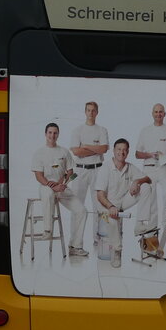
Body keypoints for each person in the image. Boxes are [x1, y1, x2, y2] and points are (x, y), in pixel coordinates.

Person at [30, 123, 89, 258]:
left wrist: (63, 183)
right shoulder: (39, 153)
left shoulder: (64, 152)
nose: (52, 135)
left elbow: (70, 171)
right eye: (50, 132)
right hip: (46, 186)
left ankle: (75, 246)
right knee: (48, 193)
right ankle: (47, 230)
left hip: (62, 187)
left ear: (58, 134)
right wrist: (52, 186)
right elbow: (39, 176)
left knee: (82, 211)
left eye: (55, 133)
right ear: (46, 134)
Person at [94, 139, 154, 268]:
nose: (122, 152)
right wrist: (111, 207)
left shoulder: (129, 167)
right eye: (119, 149)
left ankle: (140, 224)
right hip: (106, 205)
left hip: (122, 202)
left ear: (128, 152)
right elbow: (100, 195)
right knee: (113, 219)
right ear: (114, 151)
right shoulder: (105, 168)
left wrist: (136, 182)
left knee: (145, 187)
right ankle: (117, 251)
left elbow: (148, 179)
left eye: (124, 150)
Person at [134, 103, 166, 235]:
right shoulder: (145, 131)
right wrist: (150, 155)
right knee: (151, 198)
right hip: (149, 169)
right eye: (156, 112)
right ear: (152, 114)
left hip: (164, 168)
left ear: (164, 114)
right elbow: (137, 154)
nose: (158, 114)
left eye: (161, 112)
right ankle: (152, 226)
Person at [67, 101, 109, 250]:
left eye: (93, 110)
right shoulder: (77, 130)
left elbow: (104, 149)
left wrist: (86, 146)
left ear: (97, 112)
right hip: (80, 171)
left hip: (98, 170)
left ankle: (99, 239)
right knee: (77, 205)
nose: (91, 113)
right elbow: (76, 151)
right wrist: (95, 149)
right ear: (85, 112)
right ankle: (74, 241)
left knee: (99, 205)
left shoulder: (102, 130)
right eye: (88, 110)